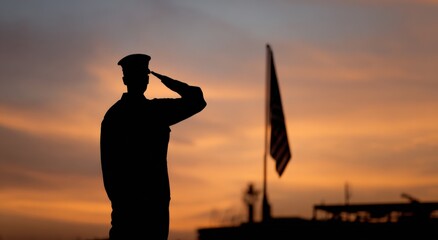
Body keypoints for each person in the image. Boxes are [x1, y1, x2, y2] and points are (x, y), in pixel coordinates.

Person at [100, 53, 206, 240]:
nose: (144, 80)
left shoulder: (118, 115)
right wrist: (166, 80)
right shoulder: (152, 112)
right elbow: (196, 99)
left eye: (145, 75)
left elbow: (108, 170)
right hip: (138, 210)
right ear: (125, 79)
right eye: (143, 76)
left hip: (143, 208)